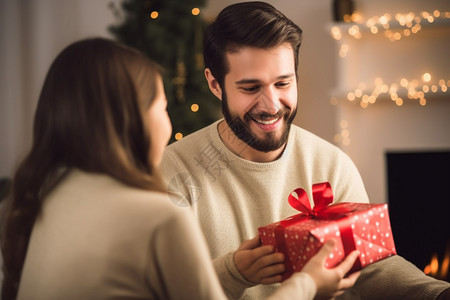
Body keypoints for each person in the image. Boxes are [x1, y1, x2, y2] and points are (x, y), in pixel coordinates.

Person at [0, 37, 362, 300]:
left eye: (283, 82)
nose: (168, 119)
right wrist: (310, 284)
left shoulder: (45, 197)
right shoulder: (156, 215)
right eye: (161, 107)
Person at [159, 2, 450, 300]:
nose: (271, 105)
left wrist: (437, 294)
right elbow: (164, 290)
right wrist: (232, 273)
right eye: (250, 88)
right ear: (215, 84)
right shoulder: (175, 169)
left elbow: (371, 268)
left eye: (283, 83)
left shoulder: (332, 164)